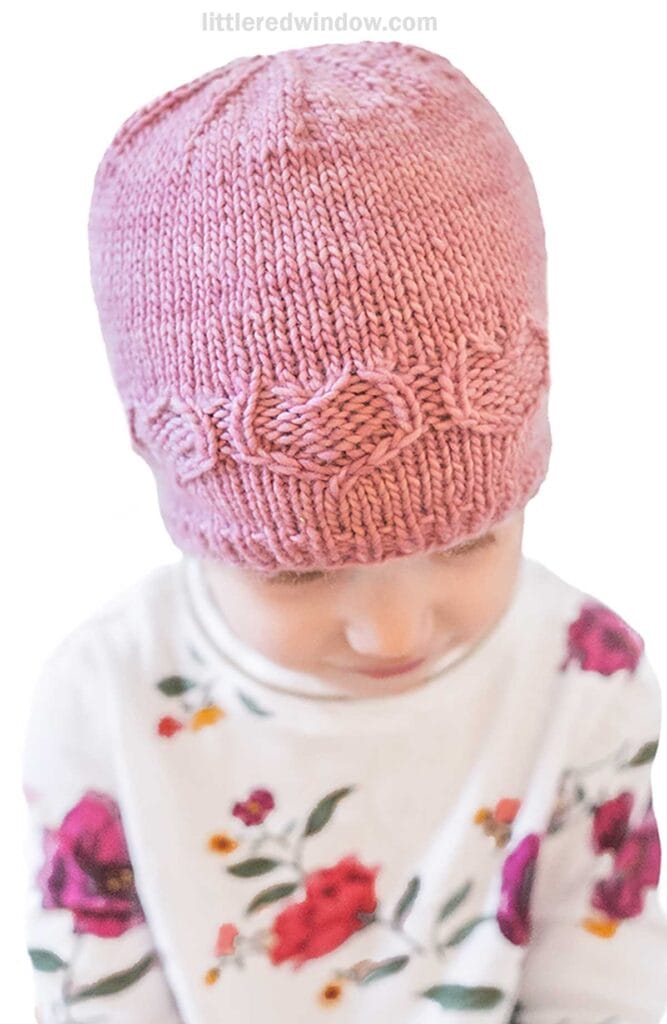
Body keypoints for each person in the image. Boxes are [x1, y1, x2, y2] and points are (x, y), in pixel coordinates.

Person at [22, 39, 667, 1024]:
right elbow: (93, 991)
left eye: (468, 540)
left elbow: (606, 976)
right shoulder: (106, 695)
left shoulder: (585, 678)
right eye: (302, 571)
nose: (396, 630)